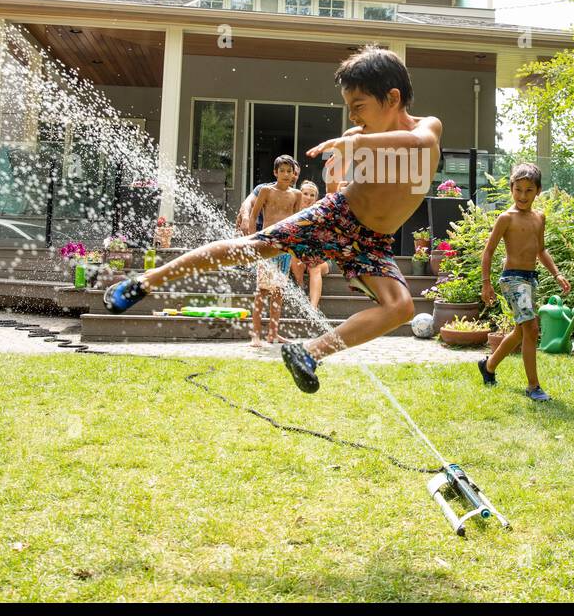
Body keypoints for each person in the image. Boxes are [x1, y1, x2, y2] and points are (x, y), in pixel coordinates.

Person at [104, 45, 441, 393]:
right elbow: (347, 163)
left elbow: (416, 141)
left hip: (373, 242)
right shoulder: (359, 136)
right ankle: (145, 281)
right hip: (337, 215)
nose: (353, 118)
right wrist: (348, 152)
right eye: (349, 109)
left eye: (359, 107)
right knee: (251, 248)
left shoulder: (426, 127)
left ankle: (308, 353)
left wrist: (356, 145)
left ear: (393, 97)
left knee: (400, 307)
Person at [477, 163, 570, 401]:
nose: (522, 195)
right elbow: (488, 252)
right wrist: (486, 283)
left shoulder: (539, 218)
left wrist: (557, 273)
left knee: (521, 331)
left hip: (530, 278)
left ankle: (488, 366)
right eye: (518, 189)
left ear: (538, 191)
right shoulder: (505, 218)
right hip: (512, 278)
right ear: (511, 188)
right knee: (531, 327)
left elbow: (541, 250)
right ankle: (533, 386)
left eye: (529, 190)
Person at [248, 156, 305, 347]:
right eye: (282, 171)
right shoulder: (266, 190)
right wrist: (252, 240)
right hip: (266, 245)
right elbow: (254, 215)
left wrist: (296, 247)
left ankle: (273, 333)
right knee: (262, 291)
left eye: (289, 171)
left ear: (294, 173)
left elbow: (296, 221)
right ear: (275, 173)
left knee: (279, 292)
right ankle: (256, 334)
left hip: (284, 247)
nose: (286, 174)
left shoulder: (296, 194)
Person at [289, 180, 331, 308]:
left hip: (319, 260)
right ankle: (301, 288)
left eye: (312, 195)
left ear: (316, 198)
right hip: (298, 259)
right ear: (299, 194)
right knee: (295, 255)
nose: (308, 197)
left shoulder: (321, 215)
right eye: (305, 193)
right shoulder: (292, 214)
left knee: (315, 266)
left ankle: (313, 308)